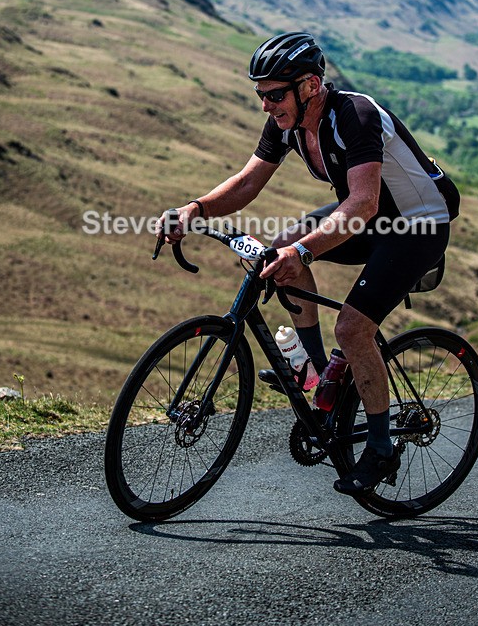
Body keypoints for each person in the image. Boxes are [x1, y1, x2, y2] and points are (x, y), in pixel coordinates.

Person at [157, 32, 460, 495]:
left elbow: (360, 204)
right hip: (372, 217)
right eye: (260, 94)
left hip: (417, 225)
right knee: (278, 248)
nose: (265, 104)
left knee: (352, 327)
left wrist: (303, 251)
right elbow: (247, 182)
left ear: (311, 85)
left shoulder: (354, 116)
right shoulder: (287, 122)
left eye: (274, 94)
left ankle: (379, 448)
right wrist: (194, 209)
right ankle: (320, 376)